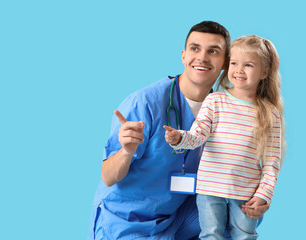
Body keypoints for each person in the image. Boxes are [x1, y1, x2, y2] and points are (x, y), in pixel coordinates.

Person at [88, 21, 269, 240]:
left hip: (178, 216)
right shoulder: (144, 103)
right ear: (183, 56)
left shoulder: (226, 109)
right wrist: (126, 151)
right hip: (129, 218)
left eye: (213, 51)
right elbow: (108, 177)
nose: (202, 57)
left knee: (243, 205)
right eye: (195, 49)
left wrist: (259, 196)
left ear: (225, 63)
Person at [164, 35, 284, 239]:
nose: (239, 70)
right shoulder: (214, 101)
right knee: (211, 235)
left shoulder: (270, 113)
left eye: (248, 65)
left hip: (247, 192)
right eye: (234, 63)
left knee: (245, 236)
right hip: (210, 188)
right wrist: (180, 138)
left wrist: (264, 194)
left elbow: (272, 162)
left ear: (264, 72)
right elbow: (198, 134)